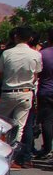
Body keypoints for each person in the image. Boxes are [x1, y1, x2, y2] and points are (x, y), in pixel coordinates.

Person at [0, 26, 43, 165]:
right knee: (19, 127)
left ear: (16, 37)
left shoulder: (7, 53)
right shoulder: (36, 54)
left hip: (8, 92)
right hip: (26, 93)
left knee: (1, 124)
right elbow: (35, 75)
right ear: (30, 39)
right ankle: (12, 157)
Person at [37, 27, 53, 158]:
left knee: (47, 121)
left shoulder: (43, 54)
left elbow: (37, 74)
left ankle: (47, 148)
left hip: (46, 91)